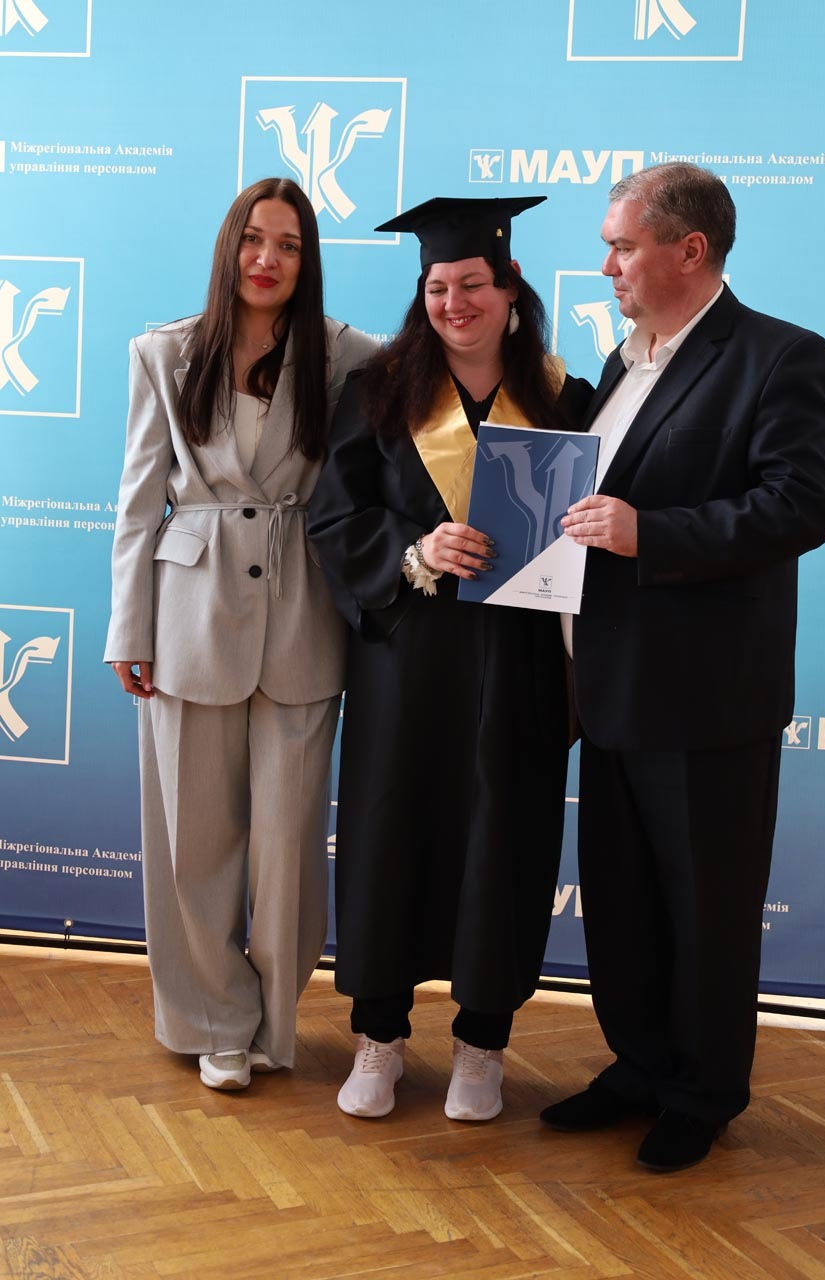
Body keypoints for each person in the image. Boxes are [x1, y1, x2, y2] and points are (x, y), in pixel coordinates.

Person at [540, 162, 825, 1170]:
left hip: (707, 699)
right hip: (609, 686)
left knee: (706, 910)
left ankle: (702, 1092)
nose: (606, 265)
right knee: (623, 902)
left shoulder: (779, 355)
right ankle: (639, 1065)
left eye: (621, 246)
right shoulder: (620, 361)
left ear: (688, 249)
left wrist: (649, 533)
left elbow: (797, 507)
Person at [308, 196, 592, 1122]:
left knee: (503, 842)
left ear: (510, 288)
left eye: (472, 284)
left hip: (519, 660)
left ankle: (481, 1045)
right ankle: (378, 1036)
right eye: (437, 287)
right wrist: (416, 549)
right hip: (409, 659)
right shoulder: (381, 391)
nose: (454, 303)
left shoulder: (564, 397)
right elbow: (334, 517)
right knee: (391, 835)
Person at [104, 177, 377, 1090]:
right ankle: (212, 1019)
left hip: (303, 612)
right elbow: (138, 500)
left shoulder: (347, 356)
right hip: (188, 612)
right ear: (229, 246)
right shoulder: (164, 352)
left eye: (289, 245)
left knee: (288, 845)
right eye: (254, 239)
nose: (268, 259)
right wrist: (128, 627)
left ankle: (274, 1022)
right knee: (193, 839)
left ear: (309, 261)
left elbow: (434, 391)